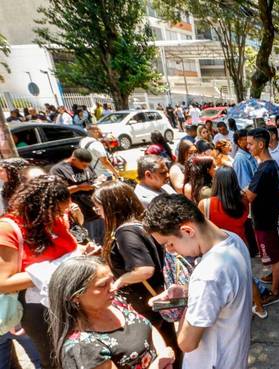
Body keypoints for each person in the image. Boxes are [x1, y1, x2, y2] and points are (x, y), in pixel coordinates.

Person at [143, 195, 252, 369]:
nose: (170, 251)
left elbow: (186, 343)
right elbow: (225, 290)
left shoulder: (207, 275)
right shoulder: (233, 240)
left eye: (169, 243)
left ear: (187, 231)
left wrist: (186, 303)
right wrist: (186, 291)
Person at [93, 181, 181, 367]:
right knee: (168, 342)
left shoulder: (125, 233)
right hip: (155, 294)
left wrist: (120, 281)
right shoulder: (139, 224)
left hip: (144, 300)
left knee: (159, 346)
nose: (96, 210)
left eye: (98, 206)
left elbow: (144, 270)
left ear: (111, 206)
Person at [0, 176, 80, 369]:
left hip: (70, 300)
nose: (61, 215)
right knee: (58, 362)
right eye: (57, 210)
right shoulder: (8, 229)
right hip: (39, 311)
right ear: (39, 206)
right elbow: (4, 282)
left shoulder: (54, 220)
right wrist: (57, 271)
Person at [47, 256, 175, 369]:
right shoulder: (82, 347)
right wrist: (159, 364)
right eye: (102, 285)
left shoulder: (115, 302)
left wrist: (163, 353)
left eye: (112, 280)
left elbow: (147, 326)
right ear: (75, 297)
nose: (113, 287)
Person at [197, 167, 268, 319]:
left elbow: (201, 228)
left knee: (225, 283)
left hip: (218, 250)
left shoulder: (206, 204)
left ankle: (233, 314)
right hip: (240, 245)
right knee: (247, 278)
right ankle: (260, 308)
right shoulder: (243, 200)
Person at [244, 128, 279, 306]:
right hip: (269, 215)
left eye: (251, 144)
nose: (248, 147)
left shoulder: (263, 169)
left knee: (273, 255)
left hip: (264, 219)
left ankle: (275, 291)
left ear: (261, 145)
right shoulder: (271, 164)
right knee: (274, 250)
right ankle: (277, 276)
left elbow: (249, 196)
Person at [50, 149, 104, 245]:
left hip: (96, 212)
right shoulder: (58, 170)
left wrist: (98, 181)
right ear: (74, 159)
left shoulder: (86, 166)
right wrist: (79, 188)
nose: (86, 168)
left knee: (102, 242)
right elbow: (58, 192)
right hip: (79, 217)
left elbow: (93, 179)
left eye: (88, 165)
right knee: (87, 244)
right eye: (83, 165)